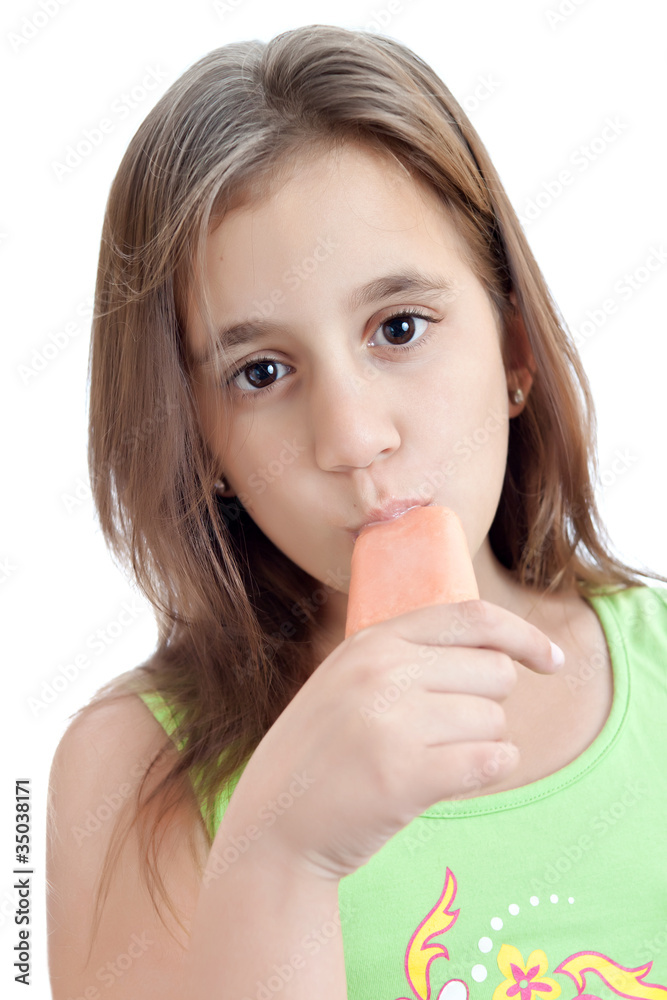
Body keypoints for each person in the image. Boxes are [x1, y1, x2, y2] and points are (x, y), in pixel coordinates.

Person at [46, 23, 667, 1000]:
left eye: (399, 328)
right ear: (199, 442)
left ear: (514, 351)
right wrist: (278, 855)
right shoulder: (130, 773)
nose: (350, 437)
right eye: (260, 373)